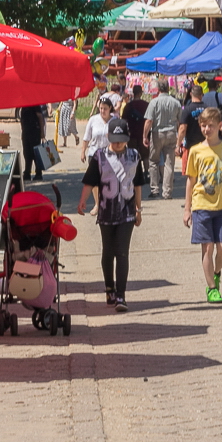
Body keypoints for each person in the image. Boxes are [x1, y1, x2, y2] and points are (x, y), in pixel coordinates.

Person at [77, 118, 145, 312]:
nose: (118, 144)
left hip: (127, 212)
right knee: (108, 251)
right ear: (108, 137)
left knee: (122, 252)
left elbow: (138, 184)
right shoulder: (99, 156)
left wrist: (138, 209)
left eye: (121, 140)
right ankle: (109, 289)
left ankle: (121, 296)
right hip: (106, 211)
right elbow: (90, 181)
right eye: (114, 140)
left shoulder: (134, 156)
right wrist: (83, 200)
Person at [183, 107, 222, 303]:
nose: (206, 129)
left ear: (219, 126)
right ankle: (212, 288)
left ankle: (216, 273)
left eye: (210, 126)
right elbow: (191, 180)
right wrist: (187, 209)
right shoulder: (195, 150)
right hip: (201, 205)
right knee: (207, 248)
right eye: (203, 126)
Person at [143, 78, 182, 200]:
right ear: (168, 88)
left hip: (157, 133)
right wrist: (179, 138)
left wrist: (145, 136)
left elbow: (149, 121)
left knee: (153, 161)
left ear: (158, 89)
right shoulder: (176, 103)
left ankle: (154, 189)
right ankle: (167, 192)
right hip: (171, 133)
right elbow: (180, 121)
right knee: (169, 163)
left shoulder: (154, 102)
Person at [176, 84, 208, 175]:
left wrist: (178, 145)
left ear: (190, 94)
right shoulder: (207, 109)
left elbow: (182, 128)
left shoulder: (187, 109)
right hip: (205, 146)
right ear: (201, 95)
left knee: (190, 174)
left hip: (190, 146)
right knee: (204, 173)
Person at [122, 86, 150, 180]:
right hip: (144, 134)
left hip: (132, 134)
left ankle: (135, 174)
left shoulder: (128, 106)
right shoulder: (146, 105)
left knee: (133, 155)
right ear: (140, 93)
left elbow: (124, 121)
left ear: (133, 93)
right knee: (145, 156)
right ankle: (146, 173)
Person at [19, 104, 49, 181]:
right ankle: (27, 172)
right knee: (27, 153)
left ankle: (38, 173)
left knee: (36, 153)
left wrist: (42, 133)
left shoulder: (35, 105)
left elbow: (40, 117)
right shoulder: (23, 106)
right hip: (26, 132)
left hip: (34, 131)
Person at [81, 97, 115, 163]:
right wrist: (83, 152)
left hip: (109, 156)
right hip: (94, 154)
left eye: (105, 109)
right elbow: (86, 137)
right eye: (101, 108)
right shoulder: (93, 119)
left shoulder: (115, 121)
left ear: (110, 108)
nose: (102, 111)